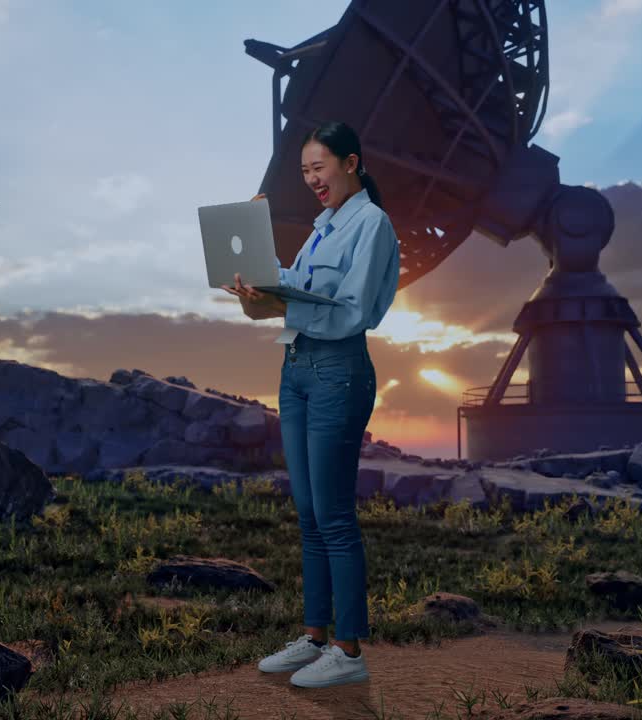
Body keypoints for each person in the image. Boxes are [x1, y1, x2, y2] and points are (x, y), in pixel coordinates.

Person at [220, 120, 399, 688]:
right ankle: (316, 636)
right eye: (304, 171)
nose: (311, 179)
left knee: (334, 515)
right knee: (308, 514)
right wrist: (257, 295)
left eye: (319, 167)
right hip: (296, 369)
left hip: (337, 373)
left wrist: (281, 305)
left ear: (351, 162)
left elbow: (351, 312)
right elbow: (292, 294)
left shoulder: (371, 224)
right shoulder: (323, 227)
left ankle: (348, 652)